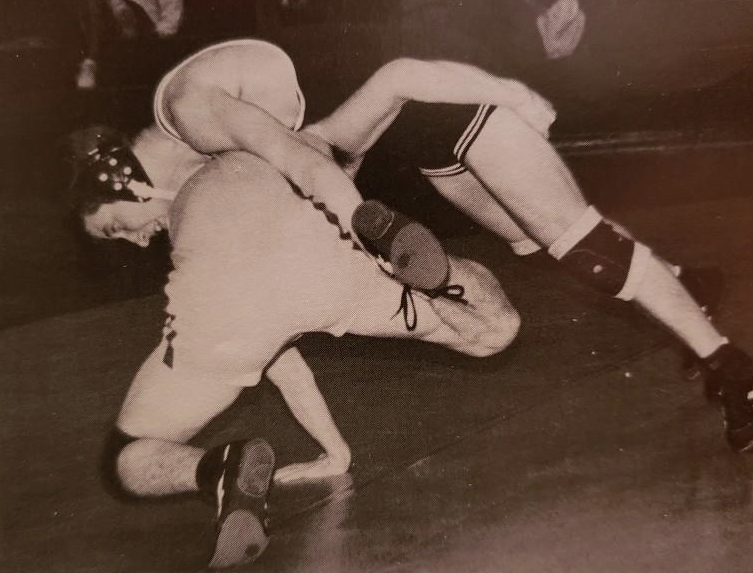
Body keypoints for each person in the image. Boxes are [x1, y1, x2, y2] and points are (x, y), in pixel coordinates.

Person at [142, 39, 752, 453]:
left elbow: (401, 76)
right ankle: (683, 284)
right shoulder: (309, 149)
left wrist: (515, 95)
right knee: (527, 239)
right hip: (436, 144)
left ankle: (733, 371)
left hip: (468, 108)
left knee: (581, 246)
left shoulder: (298, 138)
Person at [67, 122, 520, 567]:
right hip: (325, 256)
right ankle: (440, 281)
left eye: (114, 228)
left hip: (224, 300)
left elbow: (269, 342)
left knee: (126, 457)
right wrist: (335, 452)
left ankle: (218, 468)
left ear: (119, 180)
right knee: (492, 334)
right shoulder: (223, 137)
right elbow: (282, 356)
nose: (134, 240)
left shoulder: (190, 187)